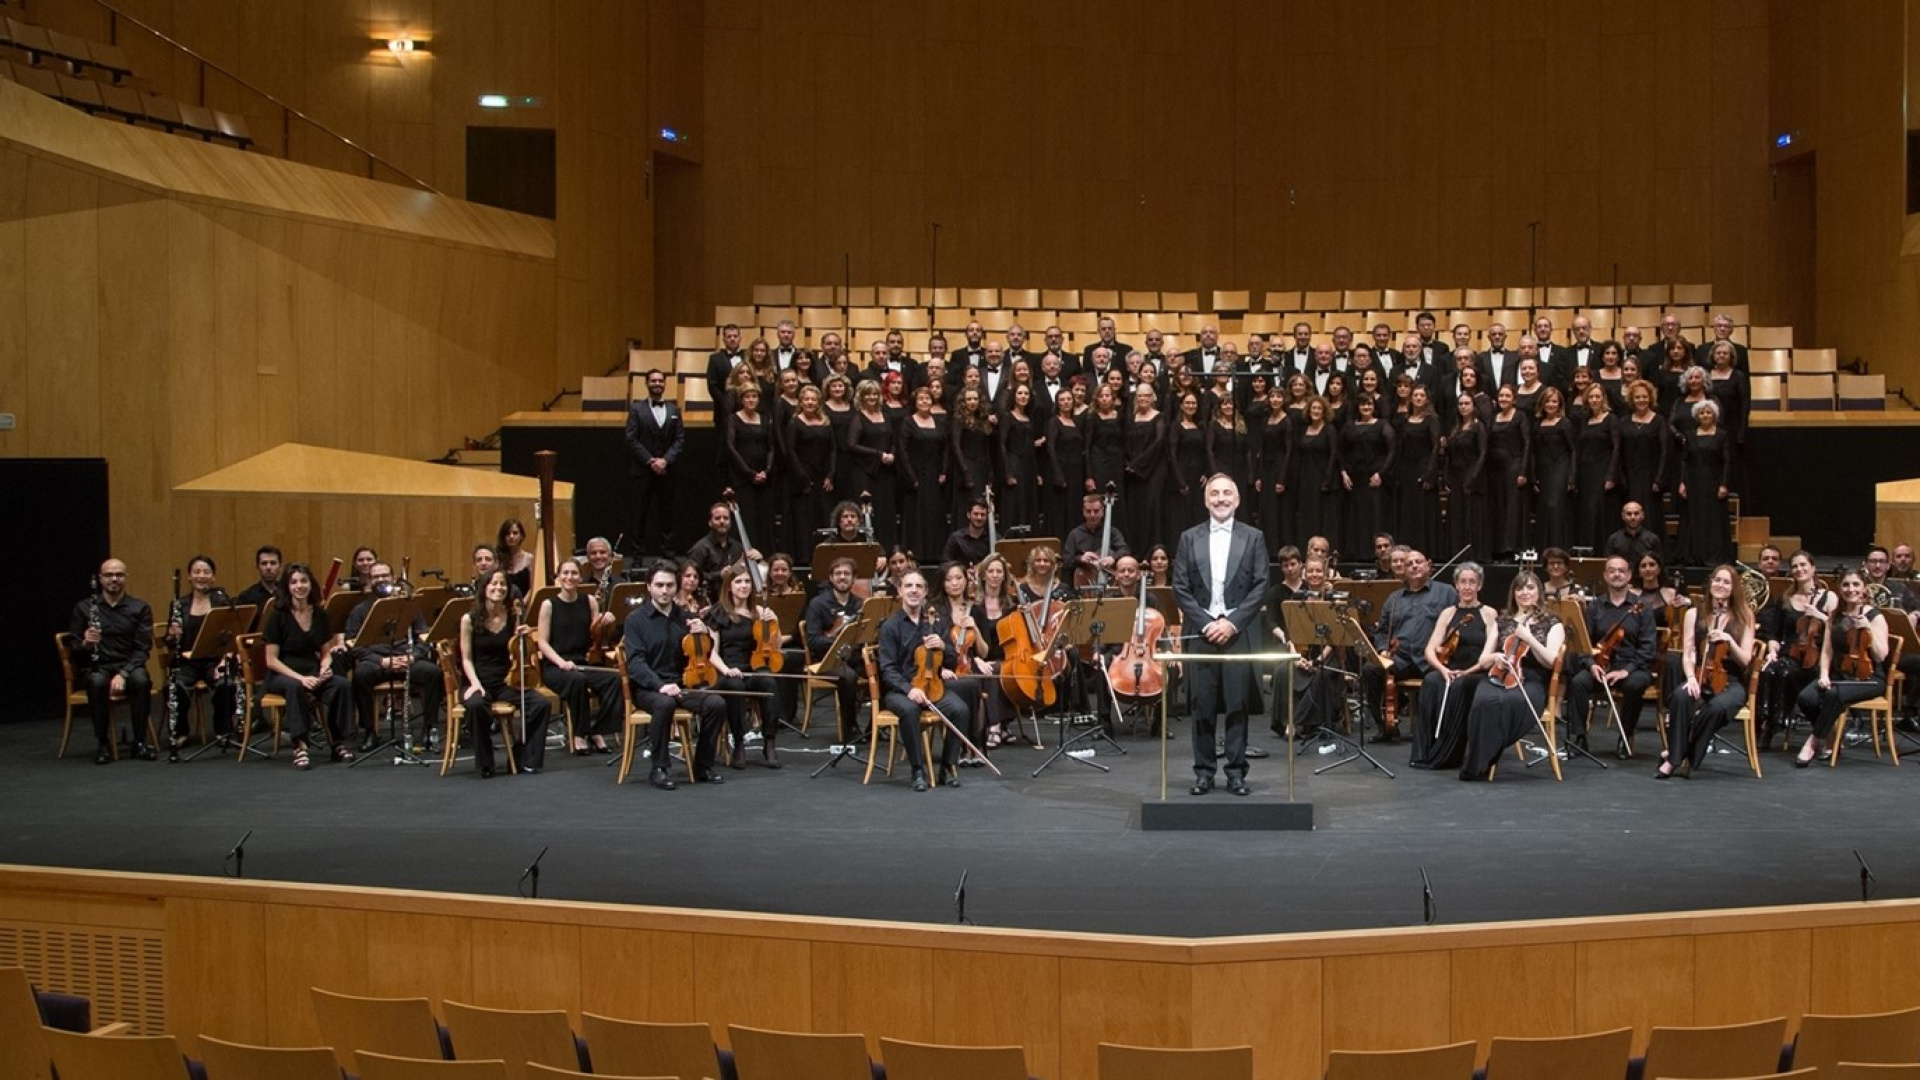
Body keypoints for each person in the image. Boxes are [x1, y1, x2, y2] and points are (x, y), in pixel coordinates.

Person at [1172, 476, 1270, 796]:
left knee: (1237, 704)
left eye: (1227, 492)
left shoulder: (1254, 537)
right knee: (1202, 704)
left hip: (1236, 632)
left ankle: (1236, 772)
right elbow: (1181, 589)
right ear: (1205, 500)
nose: (1221, 498)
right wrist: (1206, 623)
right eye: (1214, 493)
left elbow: (1260, 586)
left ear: (1238, 500)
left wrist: (1232, 622)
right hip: (1201, 632)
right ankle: (1203, 772)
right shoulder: (1188, 537)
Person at [622, 562, 729, 789]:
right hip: (649, 687)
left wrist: (704, 635)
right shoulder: (636, 620)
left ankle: (703, 765)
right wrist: (660, 685)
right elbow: (636, 663)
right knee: (664, 704)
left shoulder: (686, 617)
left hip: (682, 684)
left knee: (716, 703)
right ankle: (659, 768)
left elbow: (703, 653)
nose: (665, 590)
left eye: (670, 585)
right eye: (659, 585)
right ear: (649, 586)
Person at [1458, 572, 1564, 781]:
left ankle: (1489, 756)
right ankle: (1478, 763)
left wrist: (1529, 639)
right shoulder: (1503, 620)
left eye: (1530, 587)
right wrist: (1496, 656)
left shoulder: (1553, 622)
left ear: (1539, 592)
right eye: (1519, 588)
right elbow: (1483, 659)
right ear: (1513, 593)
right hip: (1500, 674)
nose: (1525, 592)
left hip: (1532, 679)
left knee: (1510, 700)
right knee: (1483, 700)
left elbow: (1552, 661)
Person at [876, 570, 972, 790]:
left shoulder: (935, 623)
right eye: (908, 586)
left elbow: (950, 660)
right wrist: (908, 689)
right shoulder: (891, 627)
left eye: (919, 586)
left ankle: (947, 768)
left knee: (960, 710)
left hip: (933, 687)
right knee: (910, 711)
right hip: (899, 691)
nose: (913, 590)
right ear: (900, 591)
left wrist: (943, 646)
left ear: (926, 592)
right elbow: (888, 669)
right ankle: (917, 770)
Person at [1661, 563, 1757, 777]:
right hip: (1700, 675)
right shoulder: (1694, 613)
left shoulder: (1744, 616)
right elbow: (1688, 652)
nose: (1720, 585)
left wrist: (1730, 640)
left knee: (1716, 708)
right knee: (1680, 696)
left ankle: (1681, 755)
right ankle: (1676, 758)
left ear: (1733, 588)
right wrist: (1690, 678)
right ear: (1710, 583)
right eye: (1717, 580)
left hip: (1731, 681)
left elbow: (1745, 660)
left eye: (1726, 582)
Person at [456, 568, 551, 777]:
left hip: (507, 681)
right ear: (484, 588)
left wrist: (525, 637)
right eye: (494, 584)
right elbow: (466, 658)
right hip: (477, 679)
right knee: (476, 705)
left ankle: (522, 756)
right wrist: (474, 683)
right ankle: (486, 762)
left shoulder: (513, 616)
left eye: (503, 585)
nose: (498, 588)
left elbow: (520, 653)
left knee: (540, 704)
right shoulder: (469, 619)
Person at [1564, 555, 1659, 758]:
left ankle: (1625, 737)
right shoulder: (1595, 606)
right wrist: (1591, 665)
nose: (1617, 574)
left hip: (1632, 666)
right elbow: (1584, 643)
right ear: (1606, 576)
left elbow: (1648, 648)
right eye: (1612, 570)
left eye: (1621, 570)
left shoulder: (1641, 607)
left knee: (1635, 685)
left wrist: (1626, 671)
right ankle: (1579, 737)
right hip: (1601, 665)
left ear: (1629, 575)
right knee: (1579, 682)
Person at [343, 562, 442, 754]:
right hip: (377, 661)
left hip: (406, 659)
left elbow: (424, 636)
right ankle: (370, 731)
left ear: (392, 577)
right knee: (360, 676)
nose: (380, 580)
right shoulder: (360, 610)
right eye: (376, 577)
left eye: (384, 575)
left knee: (433, 673)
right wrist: (381, 661)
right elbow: (351, 643)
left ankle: (430, 728)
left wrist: (412, 657)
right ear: (369, 580)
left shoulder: (408, 604)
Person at [1793, 570, 1890, 767]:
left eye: (1855, 585)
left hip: (1869, 678)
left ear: (1864, 588)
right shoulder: (1834, 616)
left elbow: (1881, 655)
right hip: (1841, 675)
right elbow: (1827, 651)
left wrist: (1869, 630)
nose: (1850, 589)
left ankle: (1813, 741)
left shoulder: (1875, 616)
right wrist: (1823, 675)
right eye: (1846, 585)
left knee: (1833, 695)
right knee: (1806, 697)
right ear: (1840, 588)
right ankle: (1830, 735)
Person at [262, 563, 353, 770]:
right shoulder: (278, 616)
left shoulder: (320, 614)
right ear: (287, 587)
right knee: (295, 688)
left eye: (304, 581)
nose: (299, 586)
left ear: (311, 585)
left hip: (311, 669)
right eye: (294, 582)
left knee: (340, 685)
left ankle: (337, 742)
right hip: (283, 672)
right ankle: (300, 745)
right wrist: (301, 679)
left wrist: (324, 668)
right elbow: (271, 660)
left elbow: (325, 652)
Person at [705, 563, 796, 769]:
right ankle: (739, 743)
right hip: (728, 669)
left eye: (747, 581)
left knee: (769, 683)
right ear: (729, 586)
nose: (744, 586)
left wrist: (776, 623)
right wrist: (726, 670)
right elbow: (711, 652)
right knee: (735, 687)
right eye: (739, 582)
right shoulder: (718, 613)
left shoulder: (759, 612)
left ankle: (770, 743)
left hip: (753, 667)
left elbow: (776, 646)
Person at [1409, 562, 1498, 770]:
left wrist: (1466, 672)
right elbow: (1430, 650)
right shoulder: (1448, 613)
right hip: (1450, 670)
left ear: (1479, 586)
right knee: (1430, 681)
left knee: (1459, 686)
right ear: (1456, 585)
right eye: (1463, 582)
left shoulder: (1489, 614)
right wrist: (1442, 670)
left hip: (1477, 673)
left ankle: (1449, 754)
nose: (1467, 587)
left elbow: (1489, 654)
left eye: (1472, 582)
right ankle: (1425, 751)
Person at [1362, 549, 1458, 742]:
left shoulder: (1446, 592)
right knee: (1370, 669)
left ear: (1428, 565)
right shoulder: (1394, 599)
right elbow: (1381, 630)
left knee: (1440, 679)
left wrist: (1446, 647)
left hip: (1432, 659)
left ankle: (1435, 731)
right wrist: (1382, 650)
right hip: (1401, 658)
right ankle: (1385, 727)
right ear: (1403, 570)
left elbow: (1458, 623)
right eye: (1409, 564)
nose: (1414, 566)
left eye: (1418, 562)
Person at [536, 559, 622, 757]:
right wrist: (561, 662)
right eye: (565, 573)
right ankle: (580, 733)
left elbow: (598, 634)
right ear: (557, 577)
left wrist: (607, 622)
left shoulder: (589, 601)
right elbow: (542, 642)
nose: (569, 577)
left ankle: (598, 729)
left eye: (574, 573)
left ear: (580, 577)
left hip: (583, 663)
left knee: (615, 679)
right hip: (555, 665)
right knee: (577, 680)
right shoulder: (549, 605)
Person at [73, 558, 155, 763]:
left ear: (126, 578)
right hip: (98, 665)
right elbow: (73, 647)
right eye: (109, 575)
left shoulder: (140, 608)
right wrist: (86, 643)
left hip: (128, 665)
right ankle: (102, 743)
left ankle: (140, 742)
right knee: (97, 682)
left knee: (141, 680)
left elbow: (143, 649)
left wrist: (123, 674)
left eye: (119, 575)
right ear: (100, 579)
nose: (114, 579)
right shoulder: (84, 608)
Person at [160, 555, 240, 756]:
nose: (201, 576)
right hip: (188, 662)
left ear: (213, 577)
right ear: (189, 576)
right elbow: (169, 642)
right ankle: (180, 733)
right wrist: (171, 634)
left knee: (226, 684)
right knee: (175, 686)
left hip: (214, 660)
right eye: (196, 572)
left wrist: (224, 660)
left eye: (206, 572)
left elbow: (231, 635)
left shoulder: (221, 601)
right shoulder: (179, 604)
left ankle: (223, 730)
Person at [803, 557, 866, 742]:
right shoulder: (818, 604)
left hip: (853, 657)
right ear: (830, 578)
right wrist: (839, 642)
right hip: (827, 659)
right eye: (838, 574)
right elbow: (813, 640)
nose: (842, 577)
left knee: (885, 669)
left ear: (854, 578)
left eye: (847, 574)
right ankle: (850, 728)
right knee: (849, 677)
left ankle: (876, 727)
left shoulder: (861, 604)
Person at [625, 368, 685, 557]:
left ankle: (667, 552)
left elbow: (680, 439)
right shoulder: (636, 408)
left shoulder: (674, 410)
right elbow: (631, 438)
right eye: (654, 381)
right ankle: (637, 554)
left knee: (667, 514)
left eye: (660, 381)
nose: (657, 384)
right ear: (647, 383)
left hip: (667, 471)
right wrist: (651, 461)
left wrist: (665, 460)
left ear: (665, 384)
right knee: (639, 514)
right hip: (642, 471)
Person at [1675, 400, 1733, 566]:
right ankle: (1694, 556)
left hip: (1714, 483)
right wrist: (1682, 482)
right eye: (1702, 413)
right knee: (1694, 518)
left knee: (1713, 519)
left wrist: (1724, 484)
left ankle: (1713, 556)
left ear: (1714, 415)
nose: (1705, 415)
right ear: (1697, 416)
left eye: (1708, 412)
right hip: (1693, 482)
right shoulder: (1690, 434)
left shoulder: (1722, 435)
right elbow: (1685, 461)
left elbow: (1727, 461)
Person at [724, 384, 777, 556]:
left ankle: (765, 557)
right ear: (741, 399)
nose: (751, 400)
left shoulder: (764, 418)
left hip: (764, 478)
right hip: (743, 478)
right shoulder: (733, 419)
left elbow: (771, 447)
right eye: (747, 397)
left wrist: (766, 471)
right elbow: (731, 448)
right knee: (747, 519)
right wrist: (749, 473)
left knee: (764, 519)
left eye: (754, 396)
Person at [1062, 491, 1129, 593]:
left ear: (1102, 511)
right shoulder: (1075, 534)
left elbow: (1125, 549)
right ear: (1083, 512)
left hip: (1109, 584)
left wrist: (1113, 558)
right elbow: (1066, 561)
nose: (1092, 515)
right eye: (1088, 511)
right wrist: (1080, 558)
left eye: (1096, 511)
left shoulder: (1112, 532)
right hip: (1083, 587)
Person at [685, 502, 746, 601]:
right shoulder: (700, 548)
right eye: (717, 518)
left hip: (733, 600)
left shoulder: (738, 547)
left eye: (726, 518)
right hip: (708, 600)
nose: (722, 521)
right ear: (710, 522)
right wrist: (719, 575)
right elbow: (691, 578)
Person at [1604, 501, 1664, 567]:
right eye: (1629, 514)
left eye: (1636, 513)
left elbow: (1658, 566)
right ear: (1623, 516)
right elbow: (1608, 565)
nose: (1633, 517)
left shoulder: (1653, 539)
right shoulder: (1613, 539)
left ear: (1642, 515)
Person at [943, 498, 993, 569]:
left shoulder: (994, 538)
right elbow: (945, 564)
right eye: (976, 514)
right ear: (968, 515)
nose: (979, 518)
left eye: (983, 515)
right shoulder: (956, 538)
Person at [235, 545, 282, 616]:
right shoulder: (246, 597)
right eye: (264, 563)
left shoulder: (288, 593)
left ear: (280, 566)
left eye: (273, 563)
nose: (268, 567)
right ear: (257, 567)